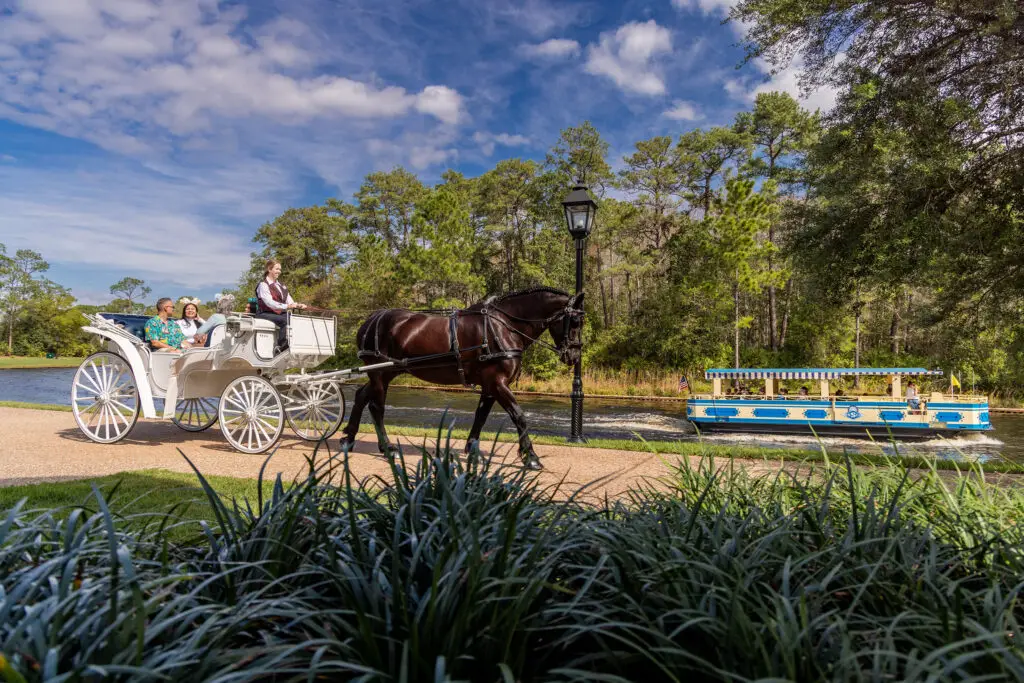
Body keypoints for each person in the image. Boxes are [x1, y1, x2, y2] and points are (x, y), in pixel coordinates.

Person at [255, 259, 307, 351]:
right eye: (277, 269)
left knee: (295, 319)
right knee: (285, 320)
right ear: (269, 269)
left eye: (280, 269)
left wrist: (298, 305)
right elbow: (269, 303)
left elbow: (289, 301)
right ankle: (281, 347)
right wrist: (287, 306)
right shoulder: (263, 285)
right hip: (264, 313)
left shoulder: (282, 286)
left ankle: (297, 343)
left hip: (276, 313)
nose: (279, 271)